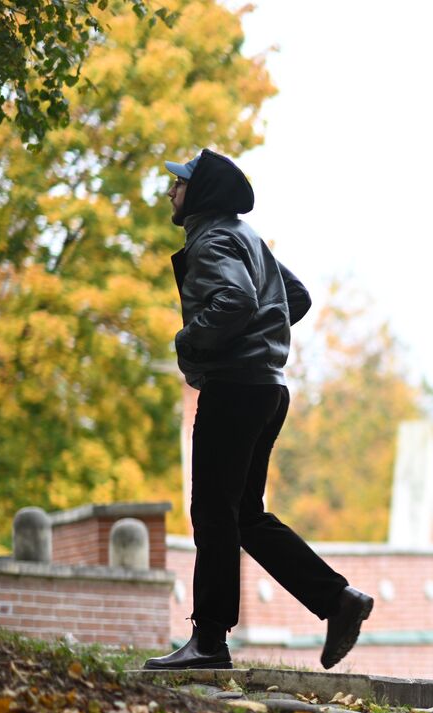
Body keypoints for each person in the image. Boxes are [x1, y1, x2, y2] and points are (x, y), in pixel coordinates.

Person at [145, 149, 373, 672]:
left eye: (177, 185)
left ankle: (208, 642)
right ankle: (338, 600)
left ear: (198, 193)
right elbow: (294, 295)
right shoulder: (247, 237)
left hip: (235, 390)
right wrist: (261, 340)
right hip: (267, 389)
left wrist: (191, 341)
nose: (170, 193)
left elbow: (236, 300)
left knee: (212, 513)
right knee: (243, 515)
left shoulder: (213, 239)